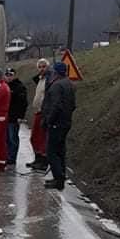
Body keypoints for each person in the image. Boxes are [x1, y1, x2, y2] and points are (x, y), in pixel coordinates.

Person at [42, 61, 76, 191]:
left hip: (56, 123)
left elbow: (55, 106)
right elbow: (73, 105)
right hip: (66, 122)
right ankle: (60, 178)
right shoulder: (70, 84)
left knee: (51, 152)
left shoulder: (56, 86)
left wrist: (49, 120)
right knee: (61, 151)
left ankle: (58, 178)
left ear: (56, 73)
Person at [27, 58, 51, 171]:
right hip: (37, 111)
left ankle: (43, 162)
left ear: (47, 67)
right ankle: (37, 159)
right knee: (34, 137)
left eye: (44, 66)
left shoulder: (49, 80)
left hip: (44, 112)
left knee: (42, 137)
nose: (41, 69)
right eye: (40, 67)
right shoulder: (40, 79)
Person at [5, 68, 28, 167]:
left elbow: (23, 103)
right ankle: (7, 156)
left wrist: (20, 116)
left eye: (10, 74)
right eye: (7, 75)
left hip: (14, 117)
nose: (9, 76)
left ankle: (12, 158)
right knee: (7, 138)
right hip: (6, 117)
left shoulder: (19, 87)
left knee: (13, 138)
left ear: (14, 75)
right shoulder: (5, 86)